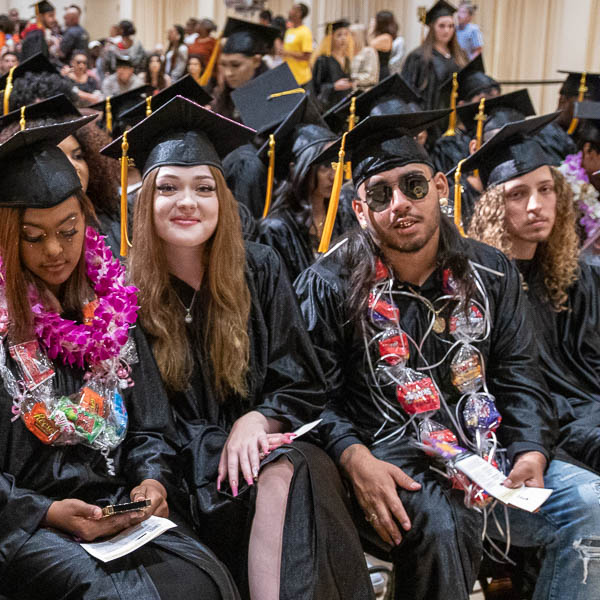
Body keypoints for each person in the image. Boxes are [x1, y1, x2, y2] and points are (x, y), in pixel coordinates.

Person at [294, 110, 600, 600]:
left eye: (413, 185)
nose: (400, 204)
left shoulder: (491, 271)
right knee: (442, 524)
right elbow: (310, 397)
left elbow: (520, 372)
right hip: (393, 463)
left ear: (439, 186)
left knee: (590, 503)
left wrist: (532, 449)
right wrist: (354, 458)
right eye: (379, 193)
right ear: (358, 209)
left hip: (490, 451)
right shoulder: (328, 285)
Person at [101, 94, 375, 600]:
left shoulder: (260, 267)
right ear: (144, 202)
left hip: (260, 453)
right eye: (169, 188)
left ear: (223, 200)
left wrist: (260, 418)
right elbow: (141, 424)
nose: (188, 202)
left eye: (204, 187)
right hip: (180, 475)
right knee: (290, 474)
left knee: (298, 470)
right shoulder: (122, 293)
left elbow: (300, 377)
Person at [0, 116, 238, 600]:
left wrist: (151, 480)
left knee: (202, 579)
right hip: (26, 523)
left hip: (113, 504)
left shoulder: (110, 311)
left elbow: (150, 427)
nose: (54, 251)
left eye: (68, 231)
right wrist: (44, 512)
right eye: (33, 236)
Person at [468, 115, 600, 473]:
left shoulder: (575, 277)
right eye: (518, 194)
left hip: (588, 408)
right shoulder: (482, 284)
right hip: (542, 422)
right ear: (495, 206)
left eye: (545, 189)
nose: (535, 206)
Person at [259, 96, 339, 282]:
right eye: (324, 166)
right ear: (300, 169)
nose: (334, 175)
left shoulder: (340, 212)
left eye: (336, 164)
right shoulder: (276, 229)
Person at [431, 54, 500, 172]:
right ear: (462, 105)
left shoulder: (494, 136)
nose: (488, 107)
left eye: (495, 100)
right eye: (482, 100)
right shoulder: (447, 145)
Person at [402, 0, 467, 111]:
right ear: (432, 27)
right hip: (428, 120)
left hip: (454, 119)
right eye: (441, 26)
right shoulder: (418, 57)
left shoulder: (460, 56)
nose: (447, 30)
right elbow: (408, 94)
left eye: (451, 26)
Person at [212, 18, 278, 122]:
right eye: (224, 64)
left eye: (236, 65)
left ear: (256, 61)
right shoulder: (224, 95)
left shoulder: (277, 97)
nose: (228, 73)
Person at [311, 20, 354, 112]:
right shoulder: (323, 60)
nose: (343, 38)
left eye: (346, 34)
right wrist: (333, 86)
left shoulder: (347, 59)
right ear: (331, 38)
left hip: (344, 104)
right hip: (328, 106)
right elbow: (316, 87)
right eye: (339, 35)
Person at [282, 3, 313, 87]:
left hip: (301, 79)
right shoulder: (289, 31)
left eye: (292, 9)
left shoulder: (305, 32)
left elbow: (307, 56)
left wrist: (287, 53)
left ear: (299, 13)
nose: (289, 11)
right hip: (288, 77)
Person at [369, 11, 399, 82]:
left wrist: (371, 29)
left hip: (381, 73)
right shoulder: (381, 36)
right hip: (377, 72)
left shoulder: (386, 37)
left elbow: (368, 47)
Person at [350, 23, 379, 91]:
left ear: (359, 36)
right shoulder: (347, 52)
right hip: (349, 92)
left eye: (352, 34)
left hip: (364, 92)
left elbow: (370, 77)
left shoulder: (369, 52)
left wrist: (350, 78)